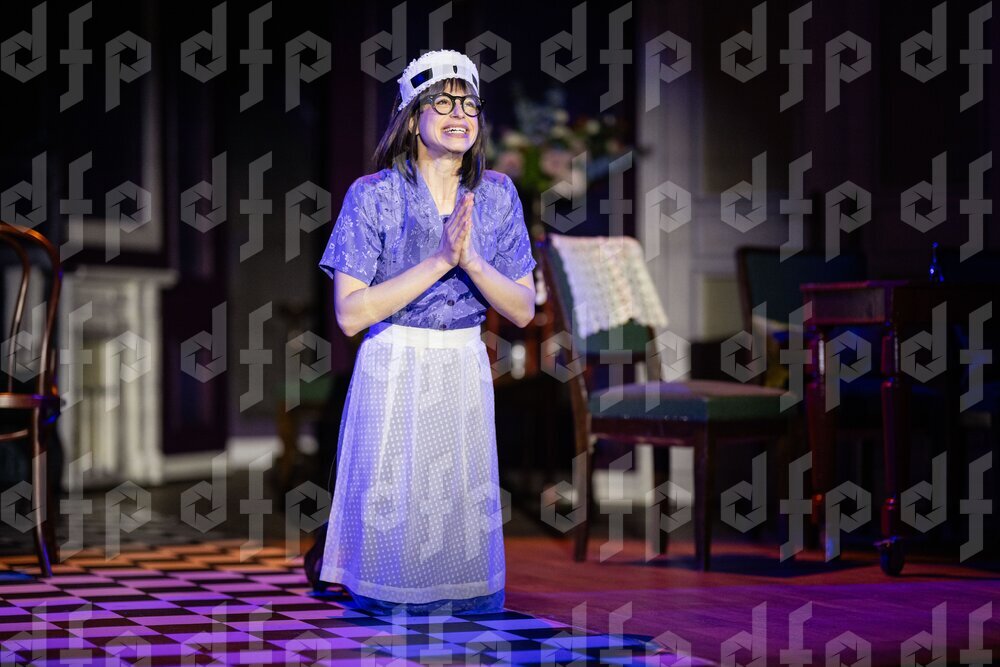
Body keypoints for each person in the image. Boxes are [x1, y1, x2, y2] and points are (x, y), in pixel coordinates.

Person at [312, 50, 536, 615]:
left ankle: (458, 597)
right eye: (442, 102)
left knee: (454, 496)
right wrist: (439, 260)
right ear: (412, 119)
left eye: (469, 104)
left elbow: (523, 309)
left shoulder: (497, 195)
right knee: (396, 500)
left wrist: (472, 261)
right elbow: (350, 314)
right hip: (394, 360)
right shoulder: (373, 194)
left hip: (461, 362)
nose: (459, 114)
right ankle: (383, 593)